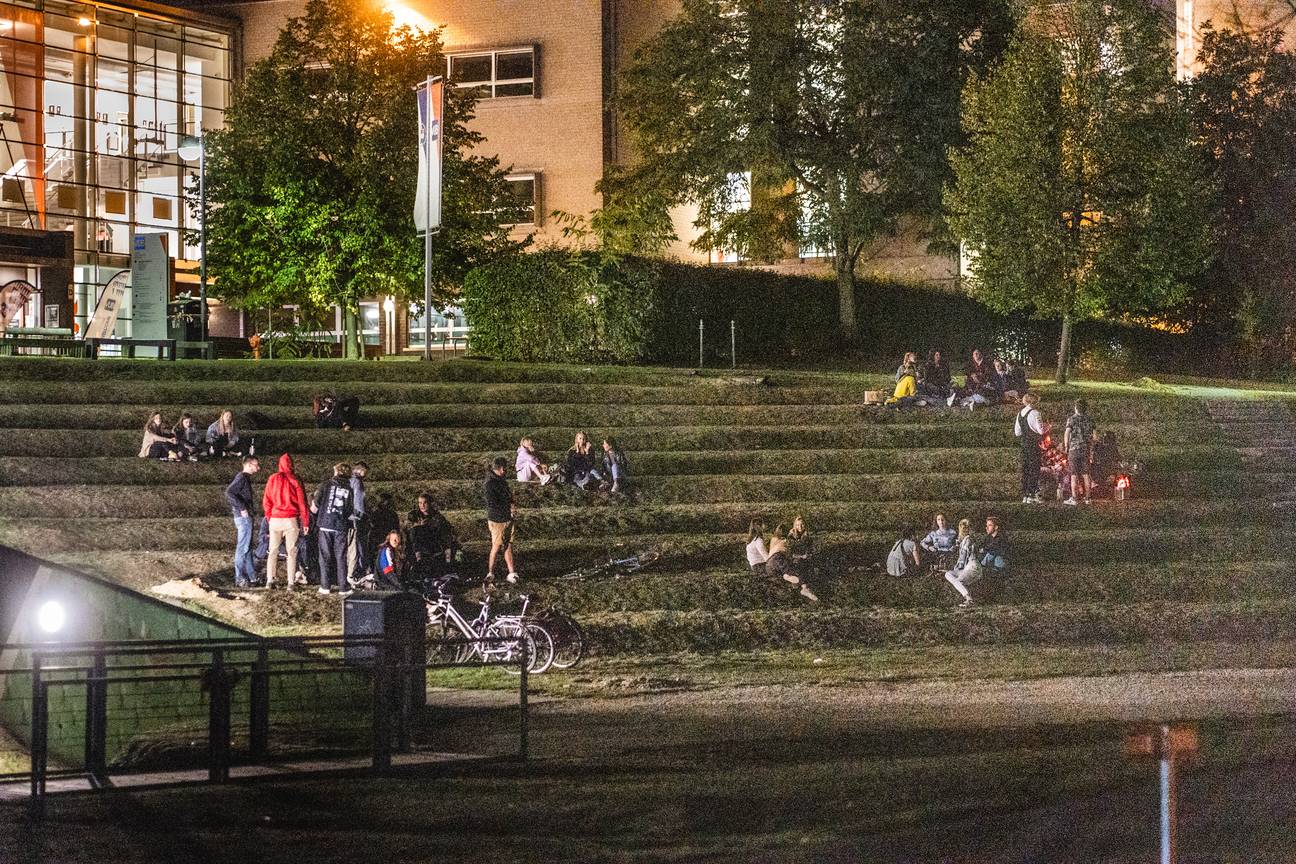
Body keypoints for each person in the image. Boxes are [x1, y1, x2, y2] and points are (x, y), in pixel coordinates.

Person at [262, 453, 310, 589]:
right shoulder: (296, 479)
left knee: (273, 551)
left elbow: (266, 501)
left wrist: (269, 516)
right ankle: (290, 582)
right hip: (291, 520)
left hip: (275, 519)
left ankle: (269, 580)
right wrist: (305, 521)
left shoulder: (272, 478)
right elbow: (302, 503)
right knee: (291, 552)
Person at [313, 462, 355, 595]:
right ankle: (343, 587)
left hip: (325, 525)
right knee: (341, 556)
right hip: (341, 526)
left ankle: (325, 586)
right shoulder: (350, 489)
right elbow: (349, 510)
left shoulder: (326, 484)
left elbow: (315, 505)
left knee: (325, 556)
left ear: (337, 472)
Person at [224, 456, 261, 588]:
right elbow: (229, 492)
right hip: (243, 518)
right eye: (256, 465)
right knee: (243, 548)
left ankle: (252, 577)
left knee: (248, 548)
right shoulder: (242, 477)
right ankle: (239, 578)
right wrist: (242, 508)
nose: (258, 468)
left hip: (245, 517)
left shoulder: (244, 478)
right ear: (249, 464)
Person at [407, 493, 460, 581]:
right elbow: (407, 528)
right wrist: (418, 525)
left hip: (432, 543)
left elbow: (446, 531)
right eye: (420, 503)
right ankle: (417, 559)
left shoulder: (438, 517)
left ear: (430, 503)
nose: (422, 506)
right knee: (415, 530)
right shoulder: (414, 515)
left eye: (425, 503)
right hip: (416, 544)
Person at [485, 457, 519, 584]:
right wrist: (507, 508)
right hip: (497, 519)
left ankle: (511, 572)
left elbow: (509, 497)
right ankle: (490, 572)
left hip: (507, 517)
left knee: (508, 544)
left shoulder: (502, 481)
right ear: (501, 468)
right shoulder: (490, 484)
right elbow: (492, 503)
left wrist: (512, 504)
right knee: (497, 545)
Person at [766, 524, 818, 601]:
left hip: (769, 565)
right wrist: (802, 556)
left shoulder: (773, 539)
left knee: (785, 572)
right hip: (778, 558)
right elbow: (790, 554)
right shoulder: (785, 541)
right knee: (795, 570)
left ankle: (787, 576)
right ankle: (804, 588)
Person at [1014, 392, 1046, 504]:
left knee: (1026, 469)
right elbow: (1040, 430)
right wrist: (1047, 427)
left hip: (1024, 444)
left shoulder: (1020, 414)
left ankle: (1025, 494)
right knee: (1034, 469)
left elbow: (1017, 432)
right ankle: (1032, 493)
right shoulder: (1035, 413)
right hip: (1033, 444)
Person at [943, 518, 982, 608]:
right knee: (948, 574)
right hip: (969, 566)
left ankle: (969, 599)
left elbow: (962, 560)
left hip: (972, 567)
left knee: (958, 581)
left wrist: (956, 569)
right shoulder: (966, 540)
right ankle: (969, 598)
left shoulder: (967, 540)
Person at [1063, 399, 1096, 506]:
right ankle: (1088, 498)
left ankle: (1074, 498)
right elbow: (1095, 436)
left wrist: (1066, 446)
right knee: (1086, 474)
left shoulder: (1071, 419)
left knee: (1074, 475)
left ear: (1076, 408)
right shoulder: (1090, 420)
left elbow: (1067, 433)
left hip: (1074, 449)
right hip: (1085, 449)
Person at [346, 462, 369, 583]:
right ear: (361, 470)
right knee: (356, 548)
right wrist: (363, 516)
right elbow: (360, 504)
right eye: (365, 472)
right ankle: (355, 573)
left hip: (346, 519)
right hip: (355, 519)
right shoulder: (358, 482)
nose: (366, 475)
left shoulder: (348, 480)